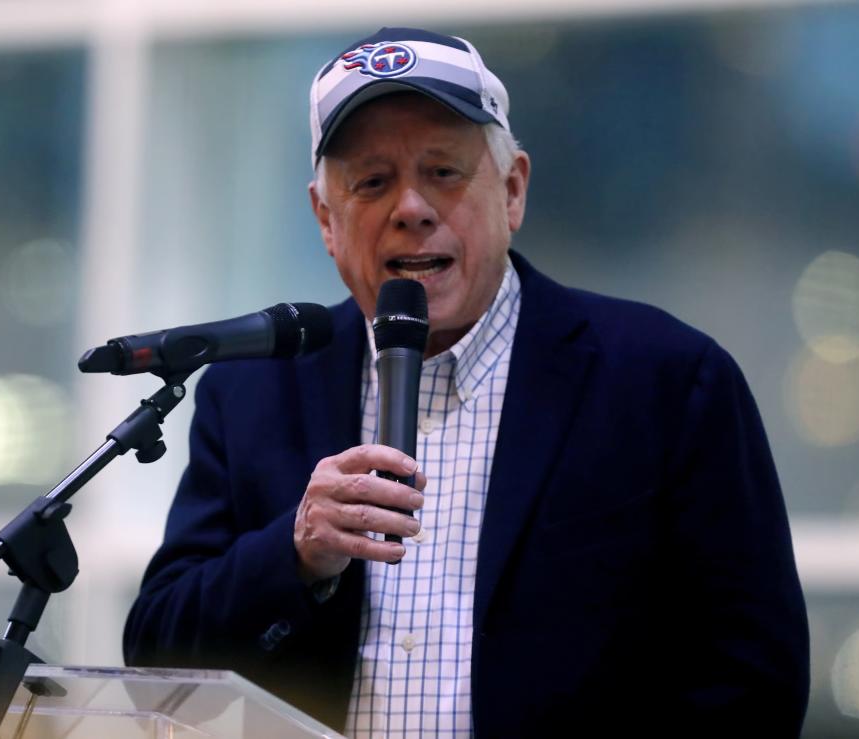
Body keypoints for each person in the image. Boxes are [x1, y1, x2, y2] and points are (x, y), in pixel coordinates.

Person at [123, 27, 810, 737]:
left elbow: (753, 681)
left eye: (444, 172)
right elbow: (156, 670)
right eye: (372, 181)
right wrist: (292, 553)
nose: (411, 207)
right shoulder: (252, 395)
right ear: (326, 219)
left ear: (512, 191)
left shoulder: (665, 381)